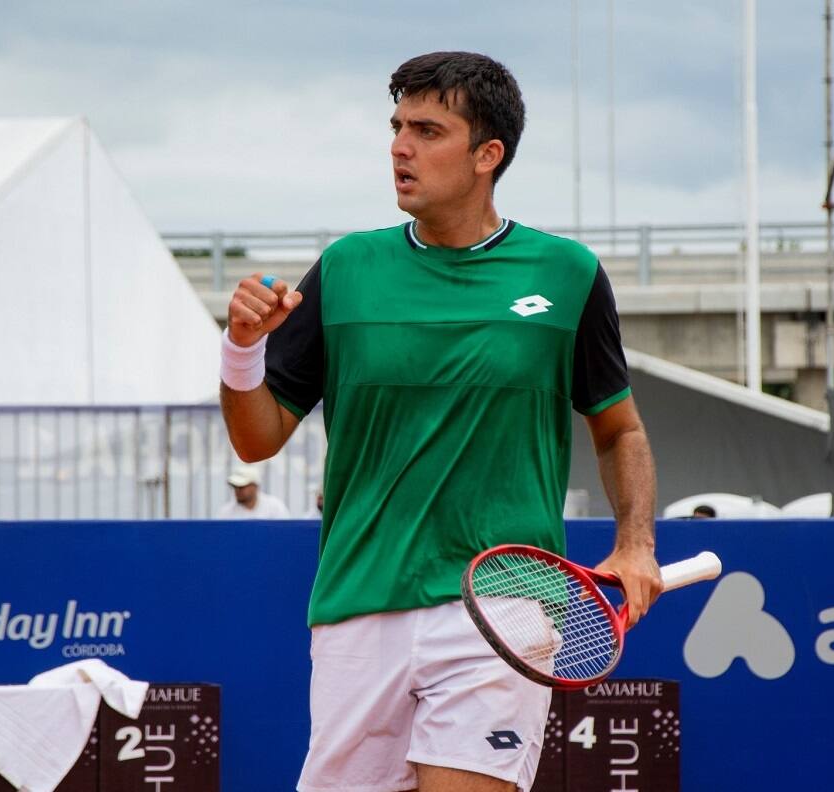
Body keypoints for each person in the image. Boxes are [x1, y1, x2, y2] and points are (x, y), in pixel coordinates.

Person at [219, 51, 662, 792]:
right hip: (359, 601)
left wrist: (636, 541)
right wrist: (241, 349)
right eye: (397, 126)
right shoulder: (345, 269)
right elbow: (255, 438)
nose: (400, 146)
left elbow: (619, 429)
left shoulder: (568, 274)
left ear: (488, 155)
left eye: (427, 130)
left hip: (505, 605)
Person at [215, 464, 291, 519]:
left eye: (241, 486)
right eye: (234, 486)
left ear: (255, 486)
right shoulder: (226, 512)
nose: (237, 490)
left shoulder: (275, 507)